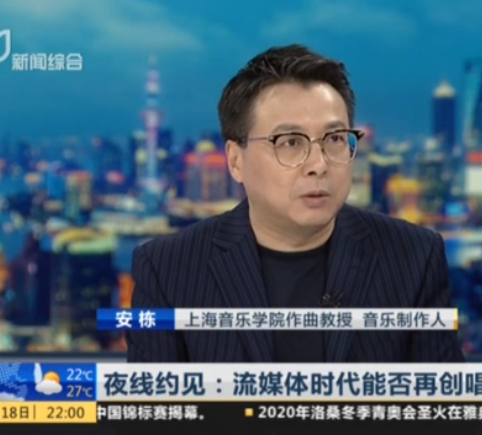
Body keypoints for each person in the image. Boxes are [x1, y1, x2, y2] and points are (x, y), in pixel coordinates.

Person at [126, 44, 464, 363]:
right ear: (235, 160)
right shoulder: (168, 269)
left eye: (334, 138)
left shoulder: (415, 257)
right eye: (290, 142)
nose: (318, 164)